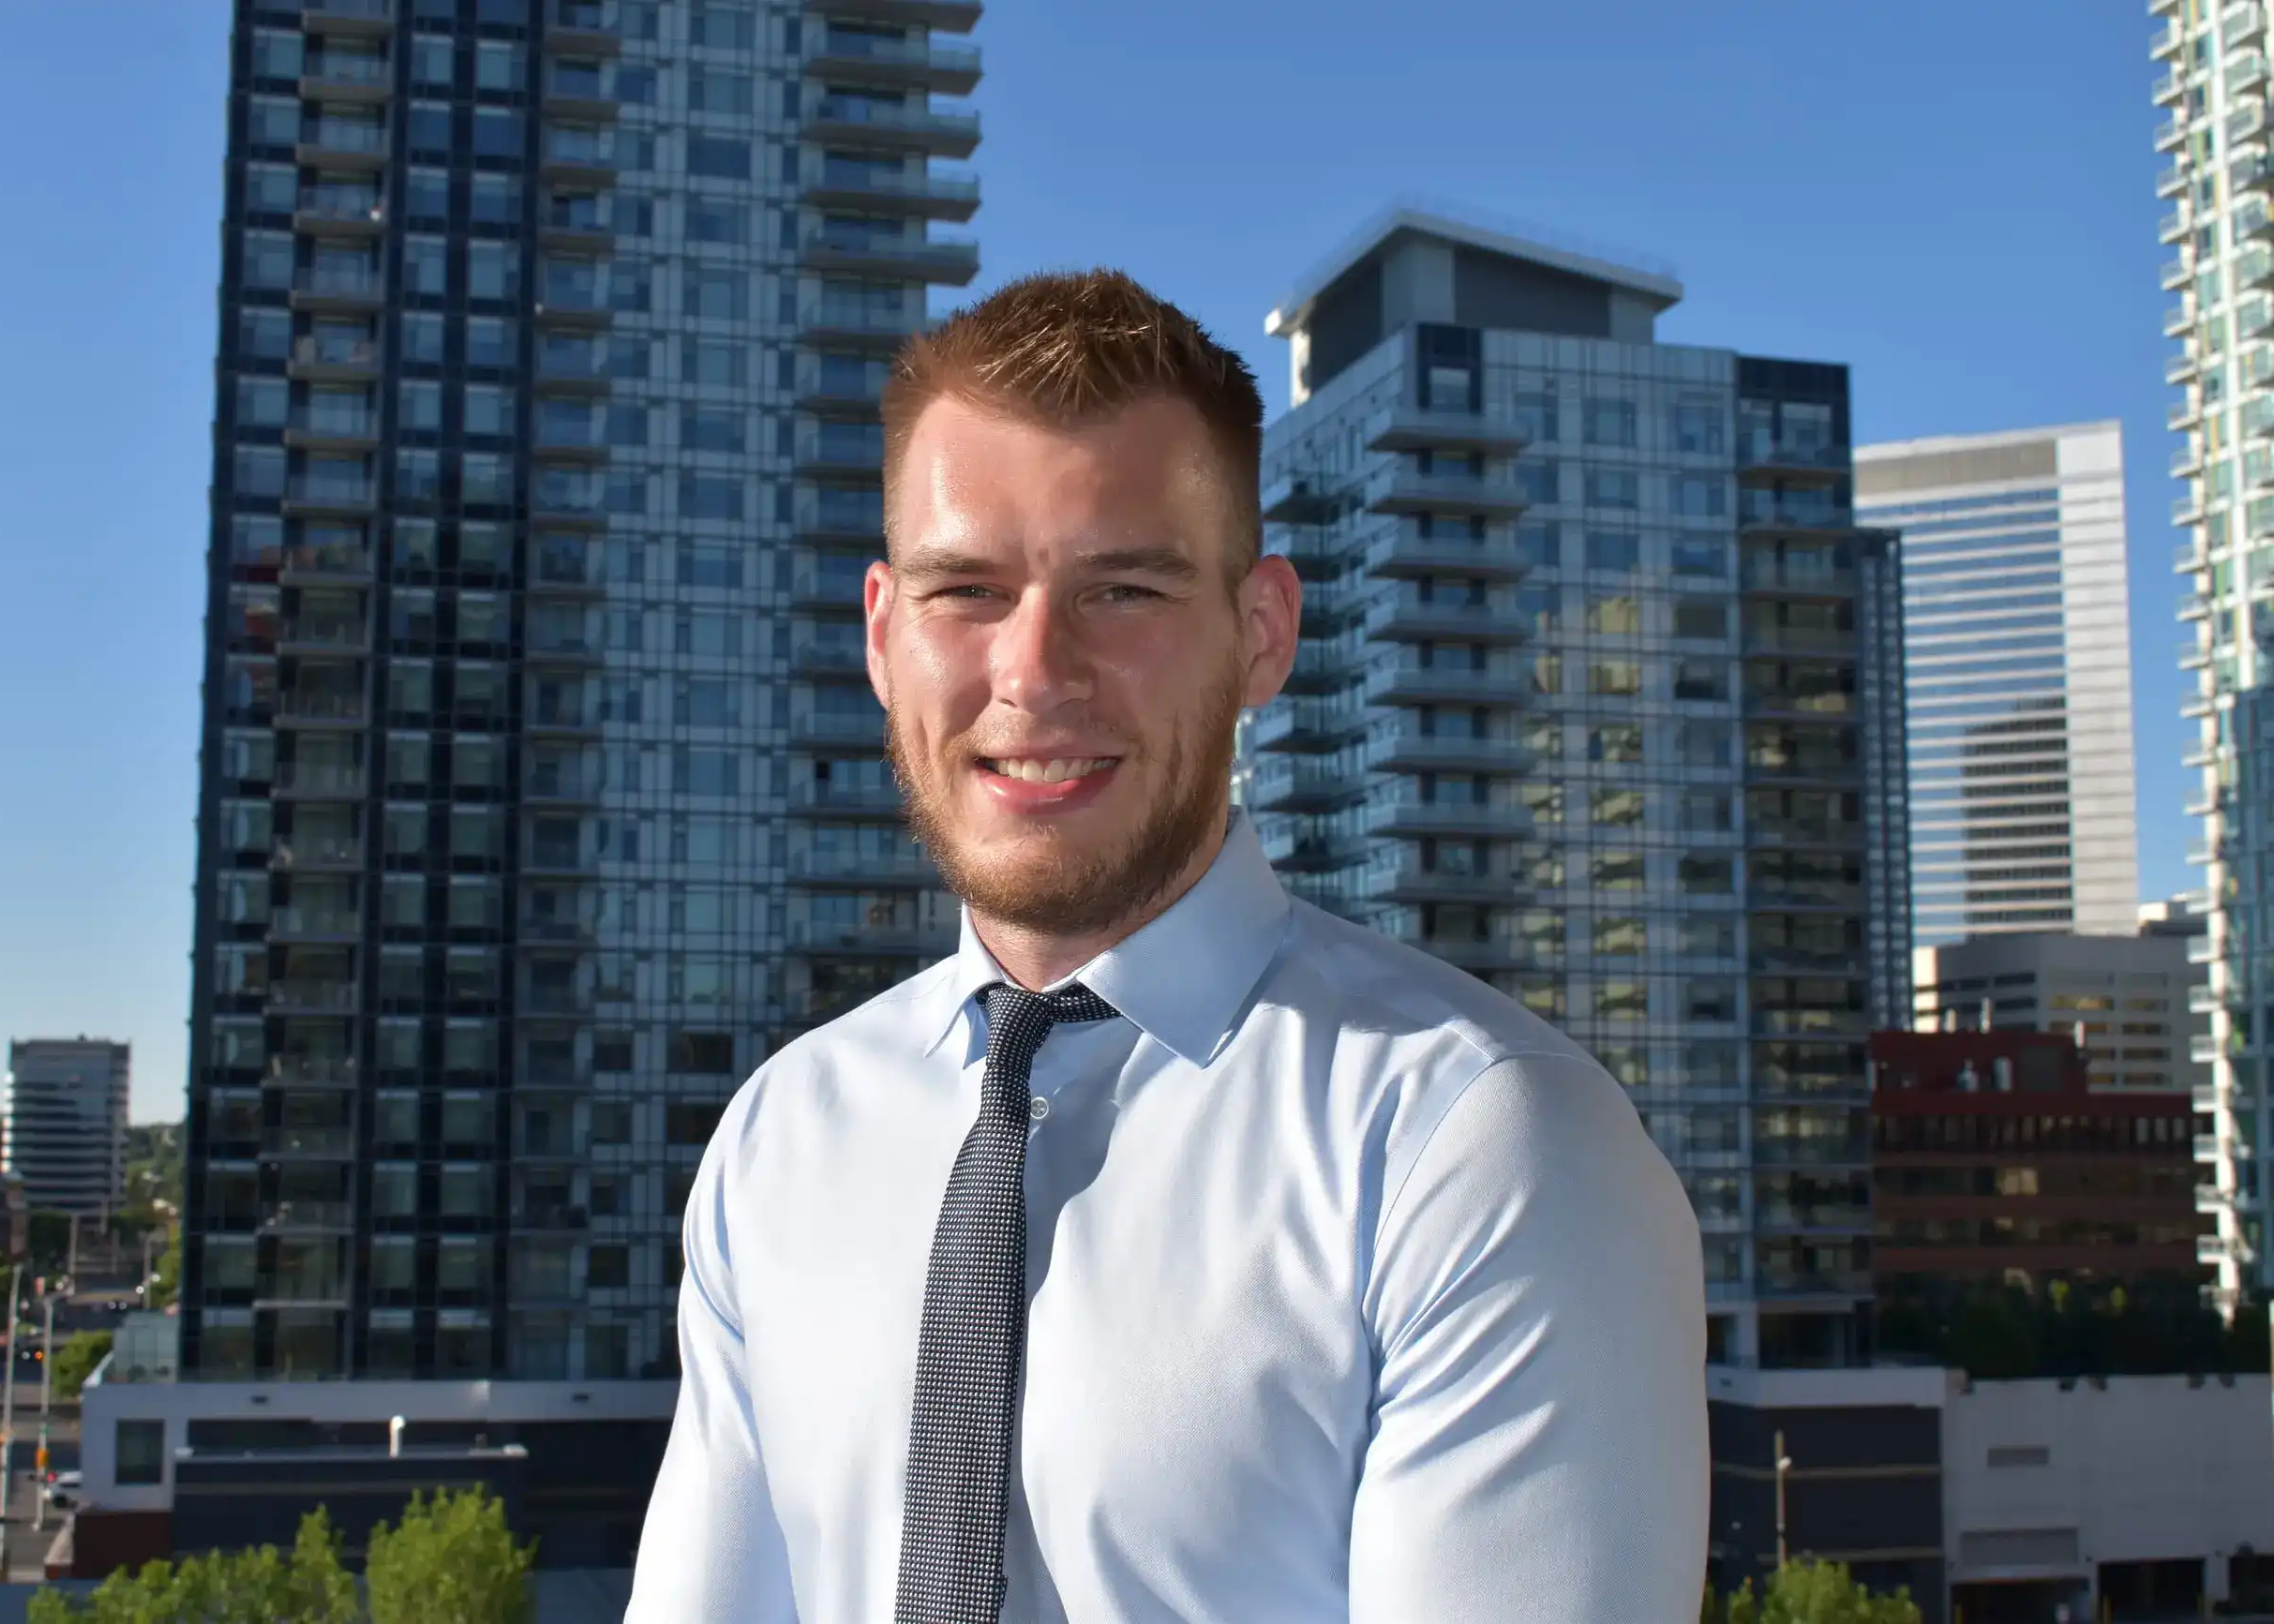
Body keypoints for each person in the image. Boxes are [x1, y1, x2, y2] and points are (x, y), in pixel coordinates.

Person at [627, 270, 1707, 1623]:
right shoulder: (780, 1142)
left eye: (1122, 589)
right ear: (883, 636)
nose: (1033, 671)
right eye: (966, 590)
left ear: (1262, 633)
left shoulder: (1481, 1147)